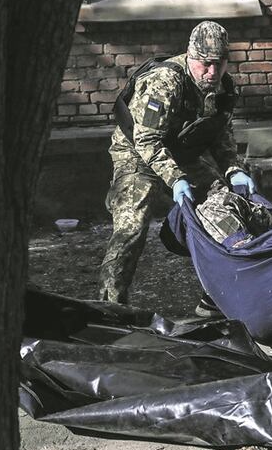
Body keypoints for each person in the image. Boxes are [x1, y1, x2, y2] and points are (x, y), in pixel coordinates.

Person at [98, 21, 255, 314]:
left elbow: (220, 135)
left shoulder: (223, 87)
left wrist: (234, 169)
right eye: (205, 64)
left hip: (182, 152)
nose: (211, 72)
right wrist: (175, 179)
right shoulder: (165, 81)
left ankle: (216, 298)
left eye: (218, 64)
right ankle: (110, 308)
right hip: (138, 154)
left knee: (223, 206)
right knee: (132, 224)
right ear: (191, 57)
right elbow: (146, 140)